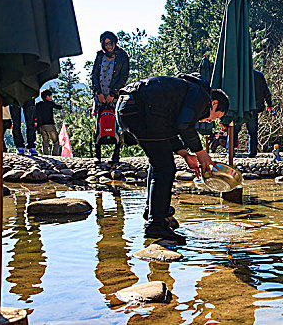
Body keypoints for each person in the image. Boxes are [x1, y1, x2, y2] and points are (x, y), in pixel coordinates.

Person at [116, 74, 229, 243]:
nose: (210, 121)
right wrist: (201, 153)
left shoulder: (188, 91)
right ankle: (156, 226)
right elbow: (184, 125)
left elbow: (169, 128)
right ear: (214, 104)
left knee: (158, 163)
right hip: (138, 110)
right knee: (165, 167)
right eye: (216, 116)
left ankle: (154, 212)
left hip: (126, 107)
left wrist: (185, 154)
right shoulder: (201, 96)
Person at [91, 31, 129, 163]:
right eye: (105, 44)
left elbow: (123, 77)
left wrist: (113, 93)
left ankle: (116, 153)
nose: (108, 47)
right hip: (100, 93)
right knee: (98, 123)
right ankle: (97, 154)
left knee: (118, 123)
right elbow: (94, 74)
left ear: (114, 43)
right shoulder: (100, 55)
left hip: (115, 95)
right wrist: (98, 92)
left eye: (110, 43)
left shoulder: (123, 56)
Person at [230, 69, 273, 157]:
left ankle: (230, 150)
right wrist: (269, 104)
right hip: (254, 106)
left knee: (234, 130)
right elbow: (266, 90)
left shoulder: (237, 75)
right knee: (253, 132)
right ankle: (253, 152)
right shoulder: (258, 75)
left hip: (239, 107)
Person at [36, 89, 62, 156]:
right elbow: (59, 107)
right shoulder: (50, 103)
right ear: (47, 96)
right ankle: (55, 155)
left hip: (41, 126)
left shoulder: (38, 104)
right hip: (50, 125)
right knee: (55, 141)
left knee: (45, 142)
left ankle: (46, 155)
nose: (51, 97)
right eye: (50, 96)